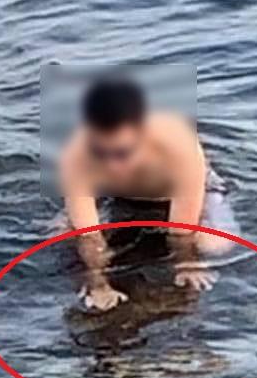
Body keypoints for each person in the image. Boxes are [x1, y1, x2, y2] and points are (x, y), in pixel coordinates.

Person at [59, 76, 237, 311]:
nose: (113, 165)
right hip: (116, 196)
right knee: (63, 236)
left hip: (180, 193)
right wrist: (98, 283)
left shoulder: (179, 145)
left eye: (122, 152)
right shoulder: (76, 155)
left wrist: (187, 264)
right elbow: (88, 235)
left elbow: (181, 230)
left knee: (215, 245)